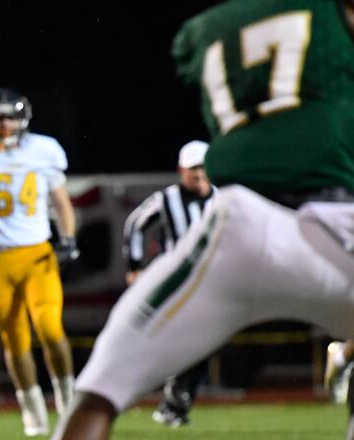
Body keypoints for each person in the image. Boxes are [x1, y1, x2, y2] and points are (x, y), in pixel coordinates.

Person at [53, 1, 354, 439]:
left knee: (100, 389)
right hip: (337, 221)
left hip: (238, 227)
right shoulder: (326, 11)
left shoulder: (202, 30)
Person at [0, 88, 78, 436]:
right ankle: (33, 412)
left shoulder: (44, 149)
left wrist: (69, 238)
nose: (5, 125)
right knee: (15, 340)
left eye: (10, 118)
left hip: (36, 253)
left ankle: (67, 400)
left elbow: (60, 200)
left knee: (50, 328)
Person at [122, 139, 215, 427]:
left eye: (202, 168)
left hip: (214, 283)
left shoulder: (223, 198)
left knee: (206, 343)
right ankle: (174, 398)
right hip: (178, 283)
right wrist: (135, 267)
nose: (198, 175)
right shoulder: (167, 200)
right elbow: (136, 225)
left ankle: (176, 398)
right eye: (192, 169)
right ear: (180, 170)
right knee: (187, 340)